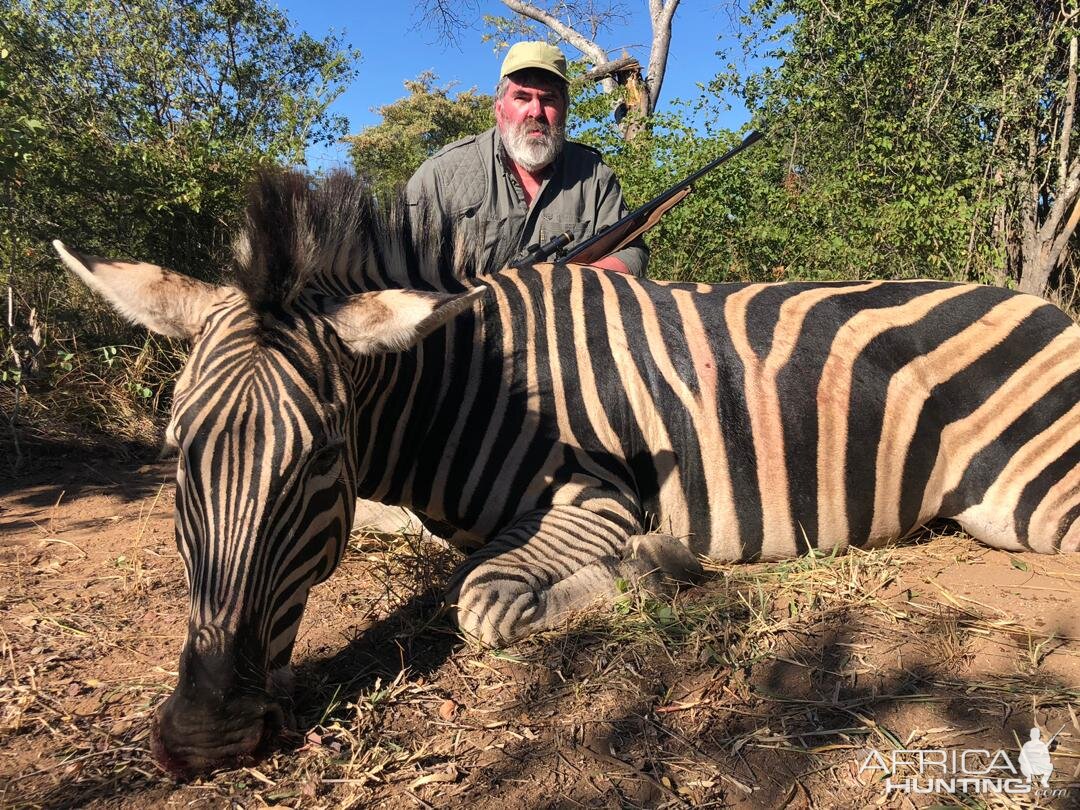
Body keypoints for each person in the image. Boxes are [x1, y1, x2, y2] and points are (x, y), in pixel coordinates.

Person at [406, 41, 649, 277]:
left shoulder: (595, 176)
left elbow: (631, 250)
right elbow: (400, 261)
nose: (536, 112)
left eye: (548, 99)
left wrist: (579, 282)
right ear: (499, 109)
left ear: (565, 110)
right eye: (522, 97)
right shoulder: (442, 173)